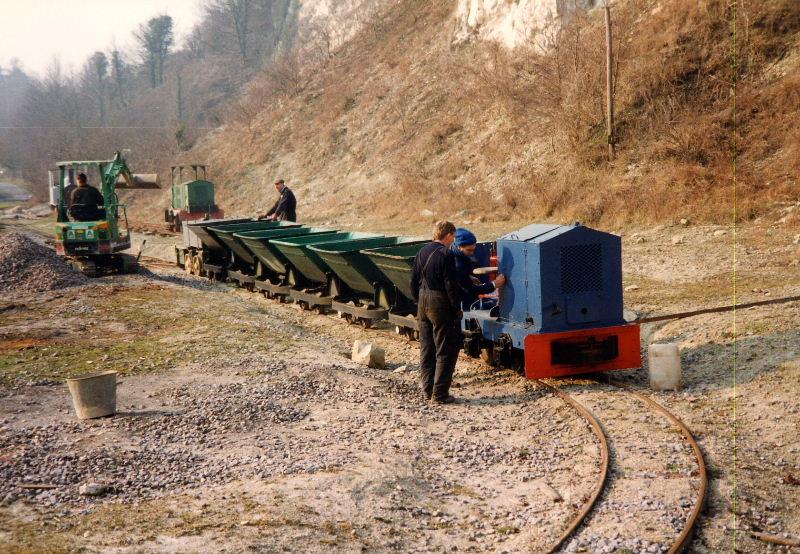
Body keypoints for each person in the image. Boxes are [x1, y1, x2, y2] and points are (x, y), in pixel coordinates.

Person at [411, 220, 463, 404]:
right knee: (445, 349)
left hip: (422, 301)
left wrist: (419, 302)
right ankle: (440, 394)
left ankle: (427, 390)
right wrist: (456, 307)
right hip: (439, 302)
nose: (453, 241)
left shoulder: (421, 252)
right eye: (453, 237)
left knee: (426, 348)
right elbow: (450, 285)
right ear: (448, 235)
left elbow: (413, 281)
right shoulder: (445, 254)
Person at [451, 228, 506, 310]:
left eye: (473, 250)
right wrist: (494, 284)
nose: (472, 253)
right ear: (459, 247)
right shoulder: (458, 264)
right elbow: (471, 290)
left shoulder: (454, 251)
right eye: (469, 250)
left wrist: (468, 277)